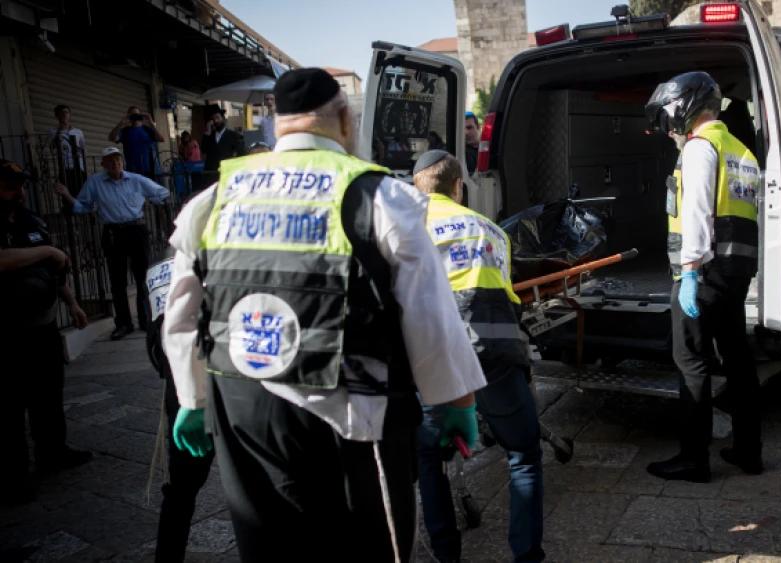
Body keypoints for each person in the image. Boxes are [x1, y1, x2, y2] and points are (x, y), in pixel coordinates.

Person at [161, 68, 487, 562]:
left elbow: (181, 311)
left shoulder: (215, 198)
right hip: (352, 414)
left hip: (245, 409)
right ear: (345, 120)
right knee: (369, 549)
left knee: (269, 548)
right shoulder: (382, 197)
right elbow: (430, 314)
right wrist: (458, 400)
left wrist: (192, 396)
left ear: (275, 125)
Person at [411, 151, 544, 563]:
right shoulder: (492, 230)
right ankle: (527, 556)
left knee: (429, 458)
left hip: (433, 359)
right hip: (494, 356)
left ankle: (447, 554)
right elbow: (508, 297)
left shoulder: (405, 228)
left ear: (416, 188)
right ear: (458, 187)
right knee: (523, 454)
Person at [643, 72, 762, 483]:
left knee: (690, 360)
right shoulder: (740, 149)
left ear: (686, 106)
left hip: (704, 273)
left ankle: (694, 458)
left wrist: (690, 271)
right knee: (737, 358)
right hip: (737, 271)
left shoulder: (700, 148)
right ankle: (749, 450)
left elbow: (696, 213)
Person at [0, 159, 91, 505]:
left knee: (48, 395)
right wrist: (49, 250)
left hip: (43, 326)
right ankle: (12, 476)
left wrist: (72, 304)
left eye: (20, 185)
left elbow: (55, 272)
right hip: (7, 333)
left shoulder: (32, 221)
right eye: (9, 186)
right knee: (8, 407)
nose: (18, 192)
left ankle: (53, 451)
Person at [143, 248, 216, 563]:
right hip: (197, 382)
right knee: (183, 486)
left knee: (182, 489)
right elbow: (164, 333)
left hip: (192, 382)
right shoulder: (176, 263)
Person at [53, 147, 170, 340]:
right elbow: (82, 206)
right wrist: (67, 195)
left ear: (122, 161)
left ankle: (146, 318)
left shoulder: (136, 179)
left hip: (136, 229)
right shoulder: (95, 182)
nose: (115, 163)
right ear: (103, 164)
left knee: (142, 277)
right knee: (117, 281)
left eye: (118, 159)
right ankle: (124, 323)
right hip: (113, 232)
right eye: (110, 160)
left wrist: (149, 199)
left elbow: (163, 193)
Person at [109, 105, 166, 177]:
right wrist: (120, 124)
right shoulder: (126, 131)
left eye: (136, 114)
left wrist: (151, 123)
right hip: (132, 169)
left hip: (150, 169)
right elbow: (112, 138)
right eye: (132, 115)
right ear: (129, 117)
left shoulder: (147, 129)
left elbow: (161, 139)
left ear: (140, 115)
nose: (135, 117)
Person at [200, 104, 245, 185]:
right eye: (213, 119)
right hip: (211, 176)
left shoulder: (233, 135)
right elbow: (203, 149)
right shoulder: (209, 136)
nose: (216, 121)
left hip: (227, 174)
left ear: (223, 118)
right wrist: (207, 133)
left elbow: (242, 153)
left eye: (217, 117)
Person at [49, 104, 87, 195]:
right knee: (68, 193)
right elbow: (52, 148)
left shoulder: (78, 132)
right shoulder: (53, 132)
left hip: (79, 167)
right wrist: (60, 131)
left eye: (66, 112)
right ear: (57, 116)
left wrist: (86, 169)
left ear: (69, 114)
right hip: (65, 167)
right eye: (61, 113)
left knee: (82, 192)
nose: (64, 115)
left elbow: (83, 150)